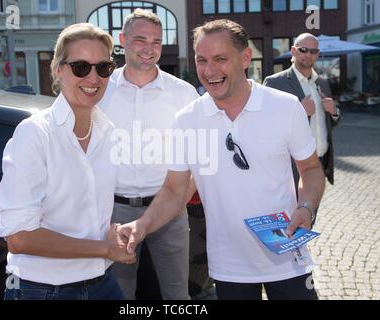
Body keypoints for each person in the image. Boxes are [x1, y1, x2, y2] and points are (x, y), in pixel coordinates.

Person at [117, 19, 326, 300]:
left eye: (220, 59)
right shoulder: (187, 119)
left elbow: (311, 169)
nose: (209, 70)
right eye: (201, 60)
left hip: (288, 256)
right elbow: (173, 190)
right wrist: (141, 226)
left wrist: (306, 206)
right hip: (229, 266)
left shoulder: (285, 107)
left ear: (245, 58)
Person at [0, 23, 135, 300]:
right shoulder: (35, 133)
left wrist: (112, 232)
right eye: (81, 67)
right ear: (58, 69)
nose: (93, 77)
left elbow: (83, 213)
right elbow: (19, 238)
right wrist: (104, 249)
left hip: (102, 282)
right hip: (43, 290)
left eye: (103, 68)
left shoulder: (107, 132)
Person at [98, 9, 199, 300]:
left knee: (177, 293)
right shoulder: (101, 90)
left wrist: (179, 198)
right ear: (122, 40)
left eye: (156, 41)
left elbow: (197, 157)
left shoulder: (183, 93)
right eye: (141, 39)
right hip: (113, 211)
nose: (149, 48)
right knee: (120, 294)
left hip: (169, 211)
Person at [263, 33, 339, 192]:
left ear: (317, 54)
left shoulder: (322, 84)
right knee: (292, 214)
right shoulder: (275, 82)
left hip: (320, 162)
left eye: (313, 51)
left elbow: (328, 124)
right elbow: (265, 125)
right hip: (291, 166)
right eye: (303, 50)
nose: (308, 55)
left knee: (312, 213)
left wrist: (334, 112)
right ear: (293, 51)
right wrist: (300, 113)